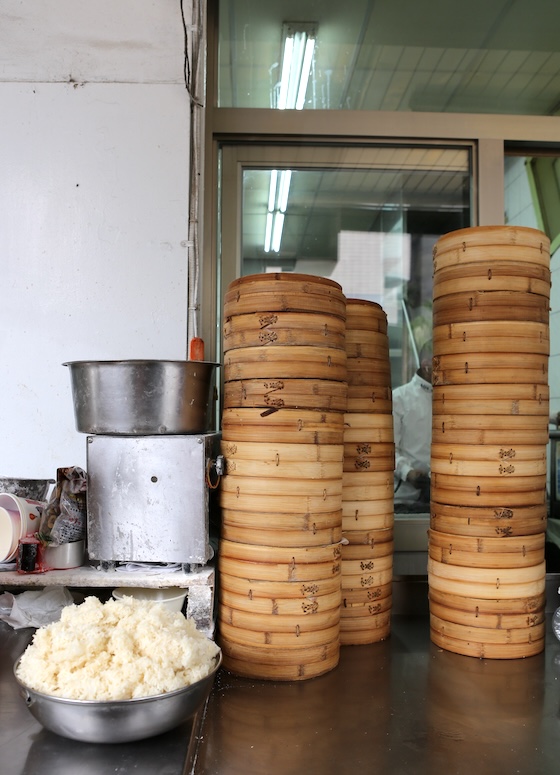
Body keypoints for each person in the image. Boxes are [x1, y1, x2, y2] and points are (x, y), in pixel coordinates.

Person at [392, 343, 433, 511]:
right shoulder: (398, 398)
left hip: (443, 500)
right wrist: (407, 472)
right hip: (404, 500)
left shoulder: (454, 401)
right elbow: (385, 451)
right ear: (426, 365)